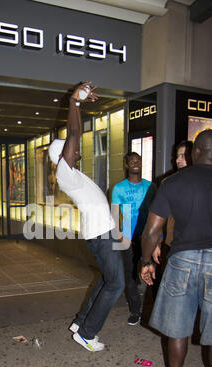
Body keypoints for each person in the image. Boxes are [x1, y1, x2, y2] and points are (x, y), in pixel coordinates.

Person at [140, 129, 212, 367]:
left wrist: (144, 261)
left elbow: (152, 231)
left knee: (177, 332)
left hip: (181, 262)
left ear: (196, 152)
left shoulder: (173, 183)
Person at [48, 82, 125, 352]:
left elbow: (74, 135)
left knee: (107, 280)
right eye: (71, 147)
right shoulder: (65, 172)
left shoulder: (72, 173)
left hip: (104, 232)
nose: (77, 148)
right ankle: (87, 334)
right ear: (63, 155)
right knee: (116, 284)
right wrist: (74, 102)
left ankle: (81, 323)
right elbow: (74, 132)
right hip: (101, 235)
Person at [111, 152, 157, 326]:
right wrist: (119, 235)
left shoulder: (151, 187)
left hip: (149, 237)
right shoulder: (119, 188)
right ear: (126, 166)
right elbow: (115, 215)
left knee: (152, 273)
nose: (135, 163)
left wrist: (158, 238)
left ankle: (152, 310)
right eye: (131, 161)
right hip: (129, 238)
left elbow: (158, 213)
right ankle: (136, 311)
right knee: (130, 275)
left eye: (138, 160)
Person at [152, 140, 193, 265]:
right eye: (177, 156)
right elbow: (160, 216)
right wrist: (157, 243)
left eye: (183, 156)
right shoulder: (169, 183)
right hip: (172, 244)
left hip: (197, 245)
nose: (178, 160)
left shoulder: (206, 182)